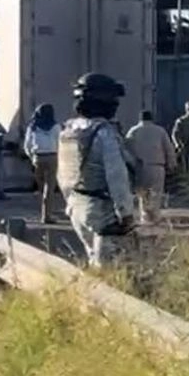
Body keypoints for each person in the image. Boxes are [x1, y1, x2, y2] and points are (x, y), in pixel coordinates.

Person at [56, 73, 136, 269]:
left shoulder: (68, 130)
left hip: (76, 206)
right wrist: (126, 212)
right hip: (101, 209)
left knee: (94, 262)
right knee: (110, 271)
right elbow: (117, 176)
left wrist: (70, 201)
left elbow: (63, 174)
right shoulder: (104, 132)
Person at [126, 111, 178, 224]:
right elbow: (168, 148)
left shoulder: (134, 131)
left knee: (143, 194)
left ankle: (145, 217)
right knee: (156, 193)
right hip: (157, 166)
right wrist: (172, 163)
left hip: (140, 167)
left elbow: (127, 149)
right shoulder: (160, 131)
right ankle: (155, 216)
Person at [23, 103, 61, 223]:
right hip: (52, 157)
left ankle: (44, 210)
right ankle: (47, 215)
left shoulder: (32, 127)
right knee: (49, 187)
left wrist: (31, 156)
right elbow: (60, 143)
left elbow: (27, 145)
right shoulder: (56, 126)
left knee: (41, 186)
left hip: (38, 157)